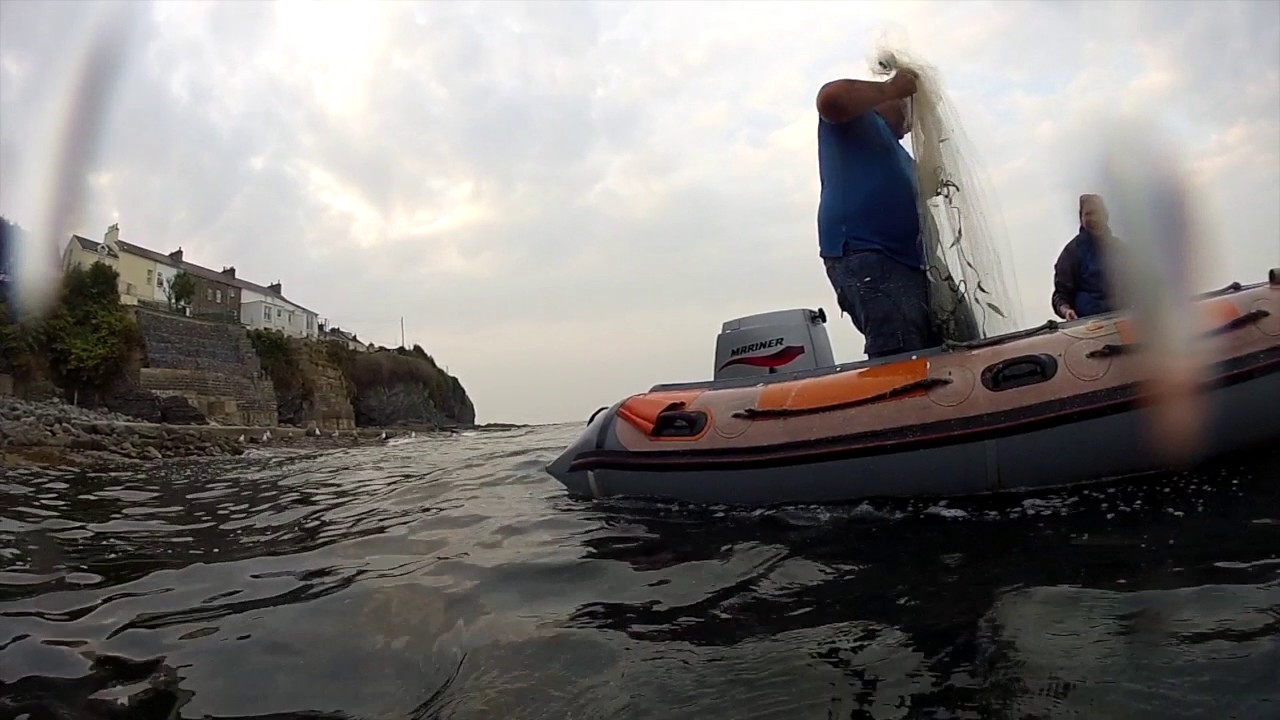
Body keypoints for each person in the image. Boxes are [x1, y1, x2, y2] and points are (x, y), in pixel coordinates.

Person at [814, 68, 937, 359]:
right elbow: (831, 98)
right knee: (902, 355)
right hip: (867, 255)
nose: (911, 123)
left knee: (934, 351)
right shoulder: (859, 120)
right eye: (909, 109)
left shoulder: (901, 156)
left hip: (909, 265)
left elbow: (926, 187)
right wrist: (891, 88)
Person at [1052, 193, 1121, 321]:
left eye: (1097, 213)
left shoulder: (1121, 249)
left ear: (1106, 216)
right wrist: (1066, 310)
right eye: (1088, 214)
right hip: (1089, 325)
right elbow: (1060, 295)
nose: (1093, 218)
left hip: (1125, 319)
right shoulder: (1071, 253)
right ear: (1081, 218)